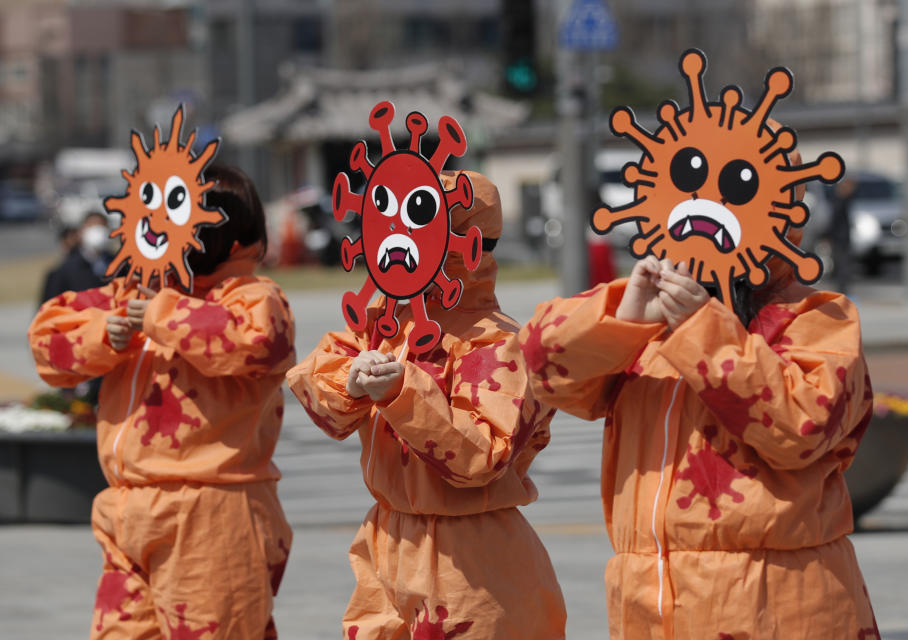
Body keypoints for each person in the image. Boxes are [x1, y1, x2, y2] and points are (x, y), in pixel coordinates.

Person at [519, 209, 879, 635]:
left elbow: (802, 424)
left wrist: (702, 327)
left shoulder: (815, 318)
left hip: (775, 607)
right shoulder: (649, 328)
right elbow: (545, 367)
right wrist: (624, 315)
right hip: (649, 605)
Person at [287, 170, 567, 639]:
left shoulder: (496, 341)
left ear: (466, 241)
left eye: (418, 220)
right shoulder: (382, 322)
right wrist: (350, 384)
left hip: (473, 563)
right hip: (387, 541)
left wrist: (402, 393)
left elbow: (482, 455)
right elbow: (314, 384)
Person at [29, 165, 295, 639]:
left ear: (227, 238)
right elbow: (47, 339)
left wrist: (161, 314)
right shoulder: (134, 291)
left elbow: (254, 342)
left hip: (212, 512)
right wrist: (103, 334)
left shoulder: (254, 296)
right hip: (127, 508)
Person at [40, 211, 112, 305]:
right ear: (81, 231)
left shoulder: (120, 266)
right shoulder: (64, 270)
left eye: (101, 227)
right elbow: (49, 307)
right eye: (92, 226)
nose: (97, 232)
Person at [829, 176, 858, 294]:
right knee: (842, 263)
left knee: (843, 263)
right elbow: (835, 220)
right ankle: (841, 288)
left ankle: (843, 287)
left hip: (842, 236)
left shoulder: (844, 199)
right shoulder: (840, 201)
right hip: (840, 236)